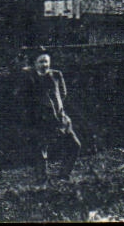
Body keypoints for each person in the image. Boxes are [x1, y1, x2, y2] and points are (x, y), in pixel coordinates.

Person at [23, 52, 82, 181]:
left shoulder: (56, 75)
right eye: (41, 62)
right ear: (35, 64)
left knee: (75, 145)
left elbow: (63, 93)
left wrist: (58, 109)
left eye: (46, 61)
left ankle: (64, 175)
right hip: (42, 120)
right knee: (41, 149)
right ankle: (42, 178)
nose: (44, 65)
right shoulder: (31, 78)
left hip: (60, 118)